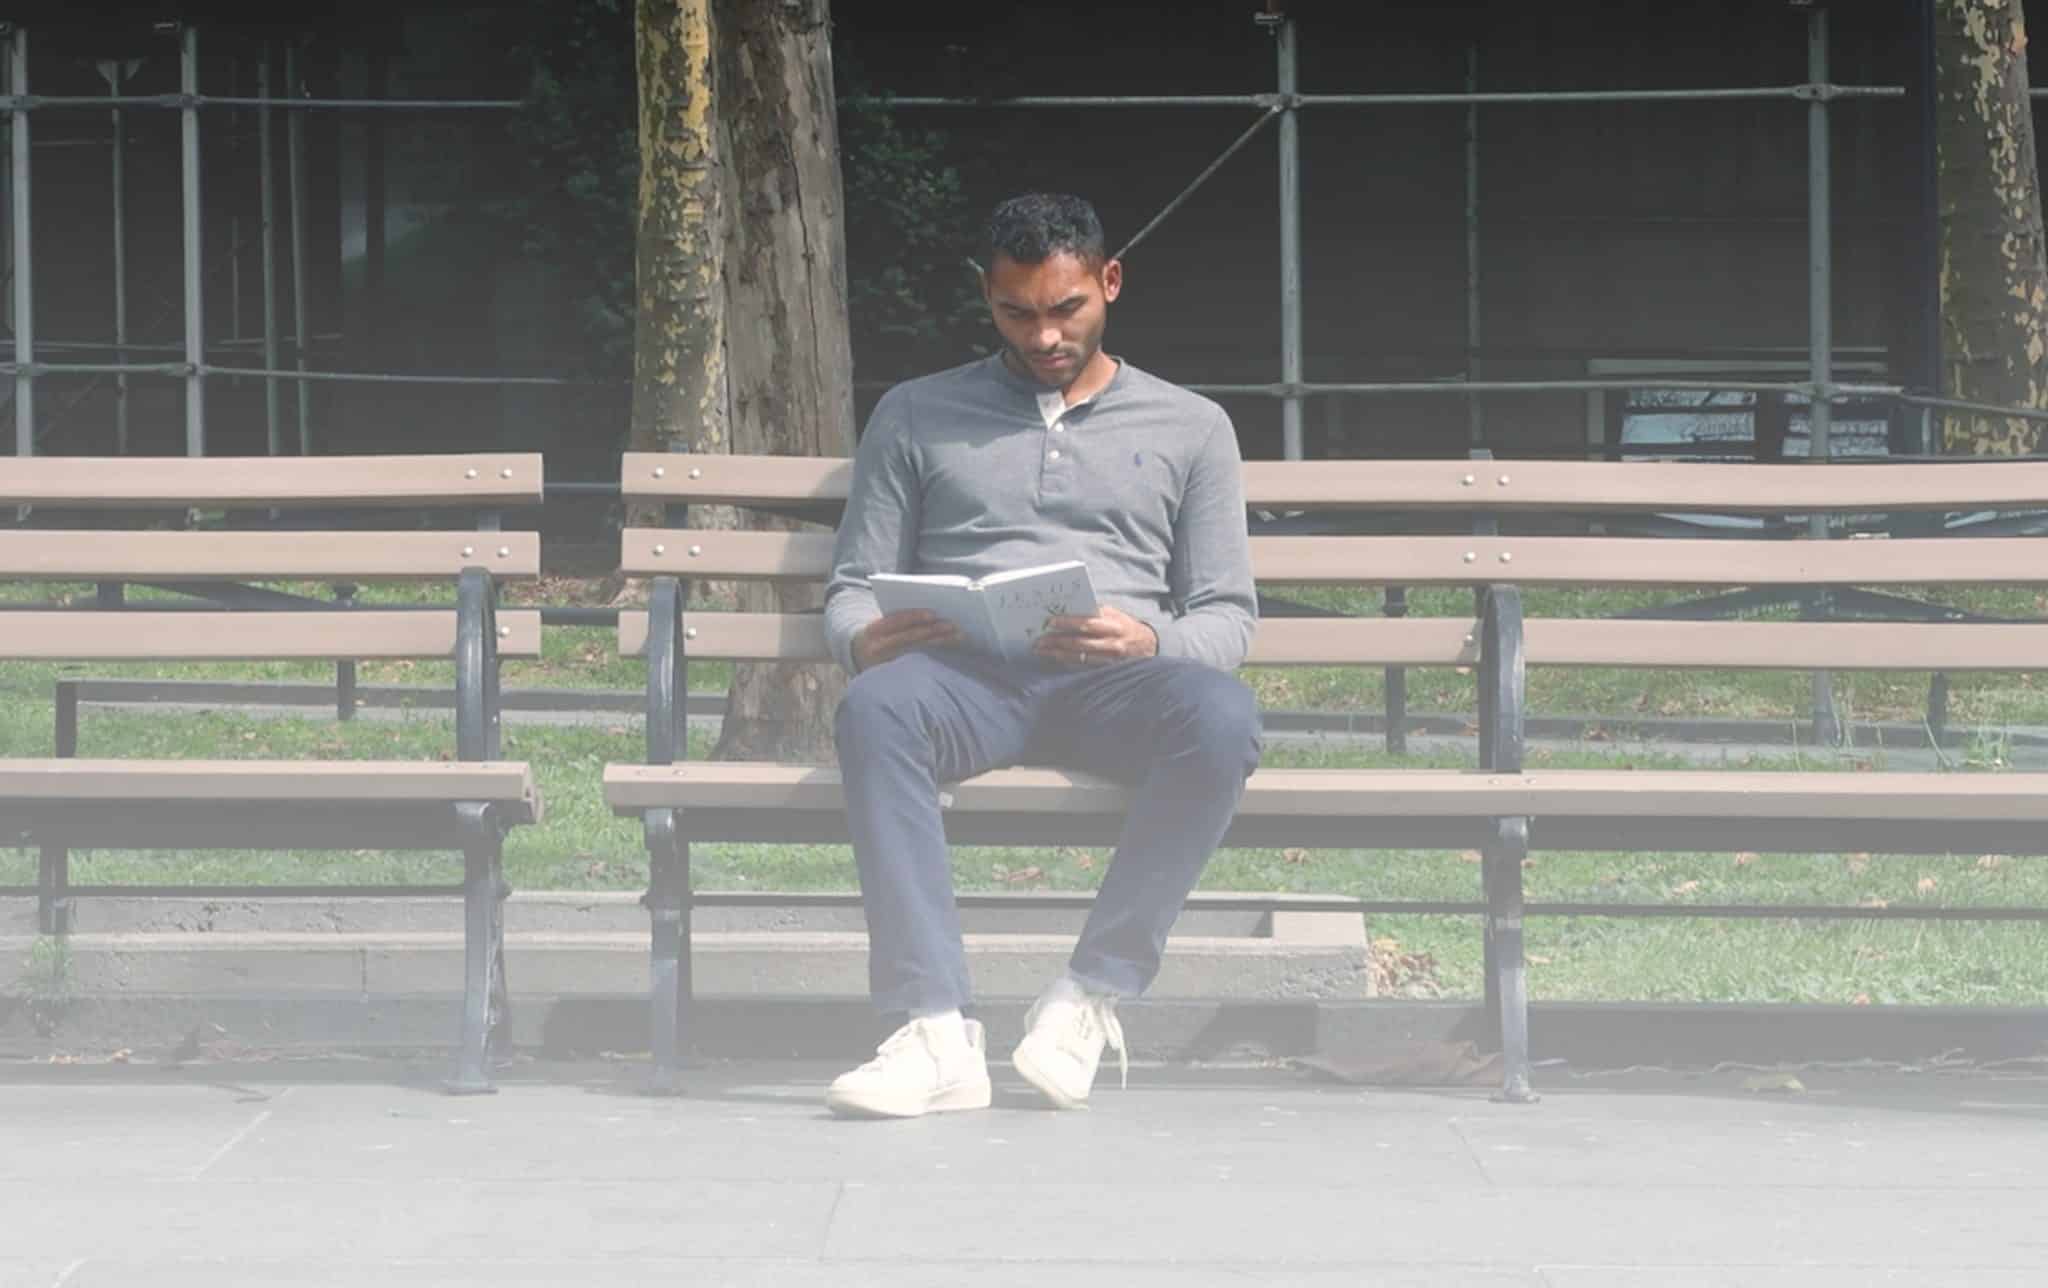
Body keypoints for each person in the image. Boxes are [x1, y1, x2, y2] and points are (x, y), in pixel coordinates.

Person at [821, 192, 1261, 1118]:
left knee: (1222, 718)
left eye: (1067, 310)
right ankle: (935, 1032)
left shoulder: (1192, 425)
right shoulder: (916, 413)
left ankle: (1088, 997)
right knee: (874, 707)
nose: (1044, 335)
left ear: (1109, 283)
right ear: (986, 296)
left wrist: (1152, 638)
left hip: (1115, 683)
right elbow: (853, 585)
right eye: (1016, 312)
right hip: (964, 679)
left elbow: (1227, 614)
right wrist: (864, 639)